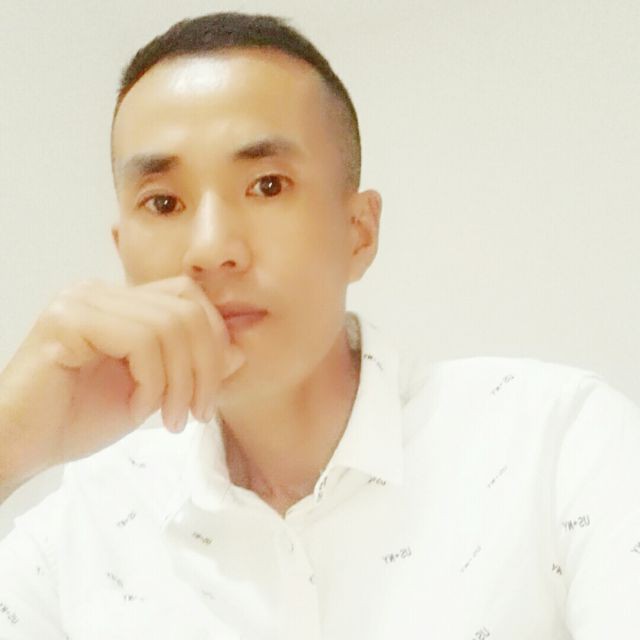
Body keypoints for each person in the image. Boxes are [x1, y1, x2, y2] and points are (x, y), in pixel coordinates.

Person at [0, 11, 639, 639]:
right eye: (164, 203)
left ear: (359, 232)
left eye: (267, 185)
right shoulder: (77, 536)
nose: (212, 248)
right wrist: (10, 439)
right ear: (121, 250)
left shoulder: (557, 447)